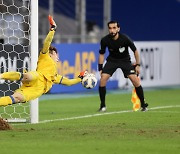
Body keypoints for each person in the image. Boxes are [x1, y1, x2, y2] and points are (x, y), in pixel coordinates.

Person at [0, 15, 87, 107]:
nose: (58, 57)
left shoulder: (54, 77)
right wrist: (52, 29)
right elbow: (47, 42)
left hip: (36, 90)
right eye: (56, 54)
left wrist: (80, 78)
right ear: (51, 54)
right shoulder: (45, 56)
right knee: (28, 76)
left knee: (17, 98)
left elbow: (69, 82)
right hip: (37, 76)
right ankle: (1, 75)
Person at [98, 20, 148, 112]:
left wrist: (137, 65)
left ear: (118, 29)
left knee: (135, 80)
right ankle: (103, 105)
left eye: (114, 28)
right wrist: (100, 68)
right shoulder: (104, 40)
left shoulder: (125, 38)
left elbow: (135, 51)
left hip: (125, 61)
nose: (112, 30)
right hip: (112, 61)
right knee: (103, 79)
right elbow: (101, 54)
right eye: (110, 28)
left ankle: (143, 104)